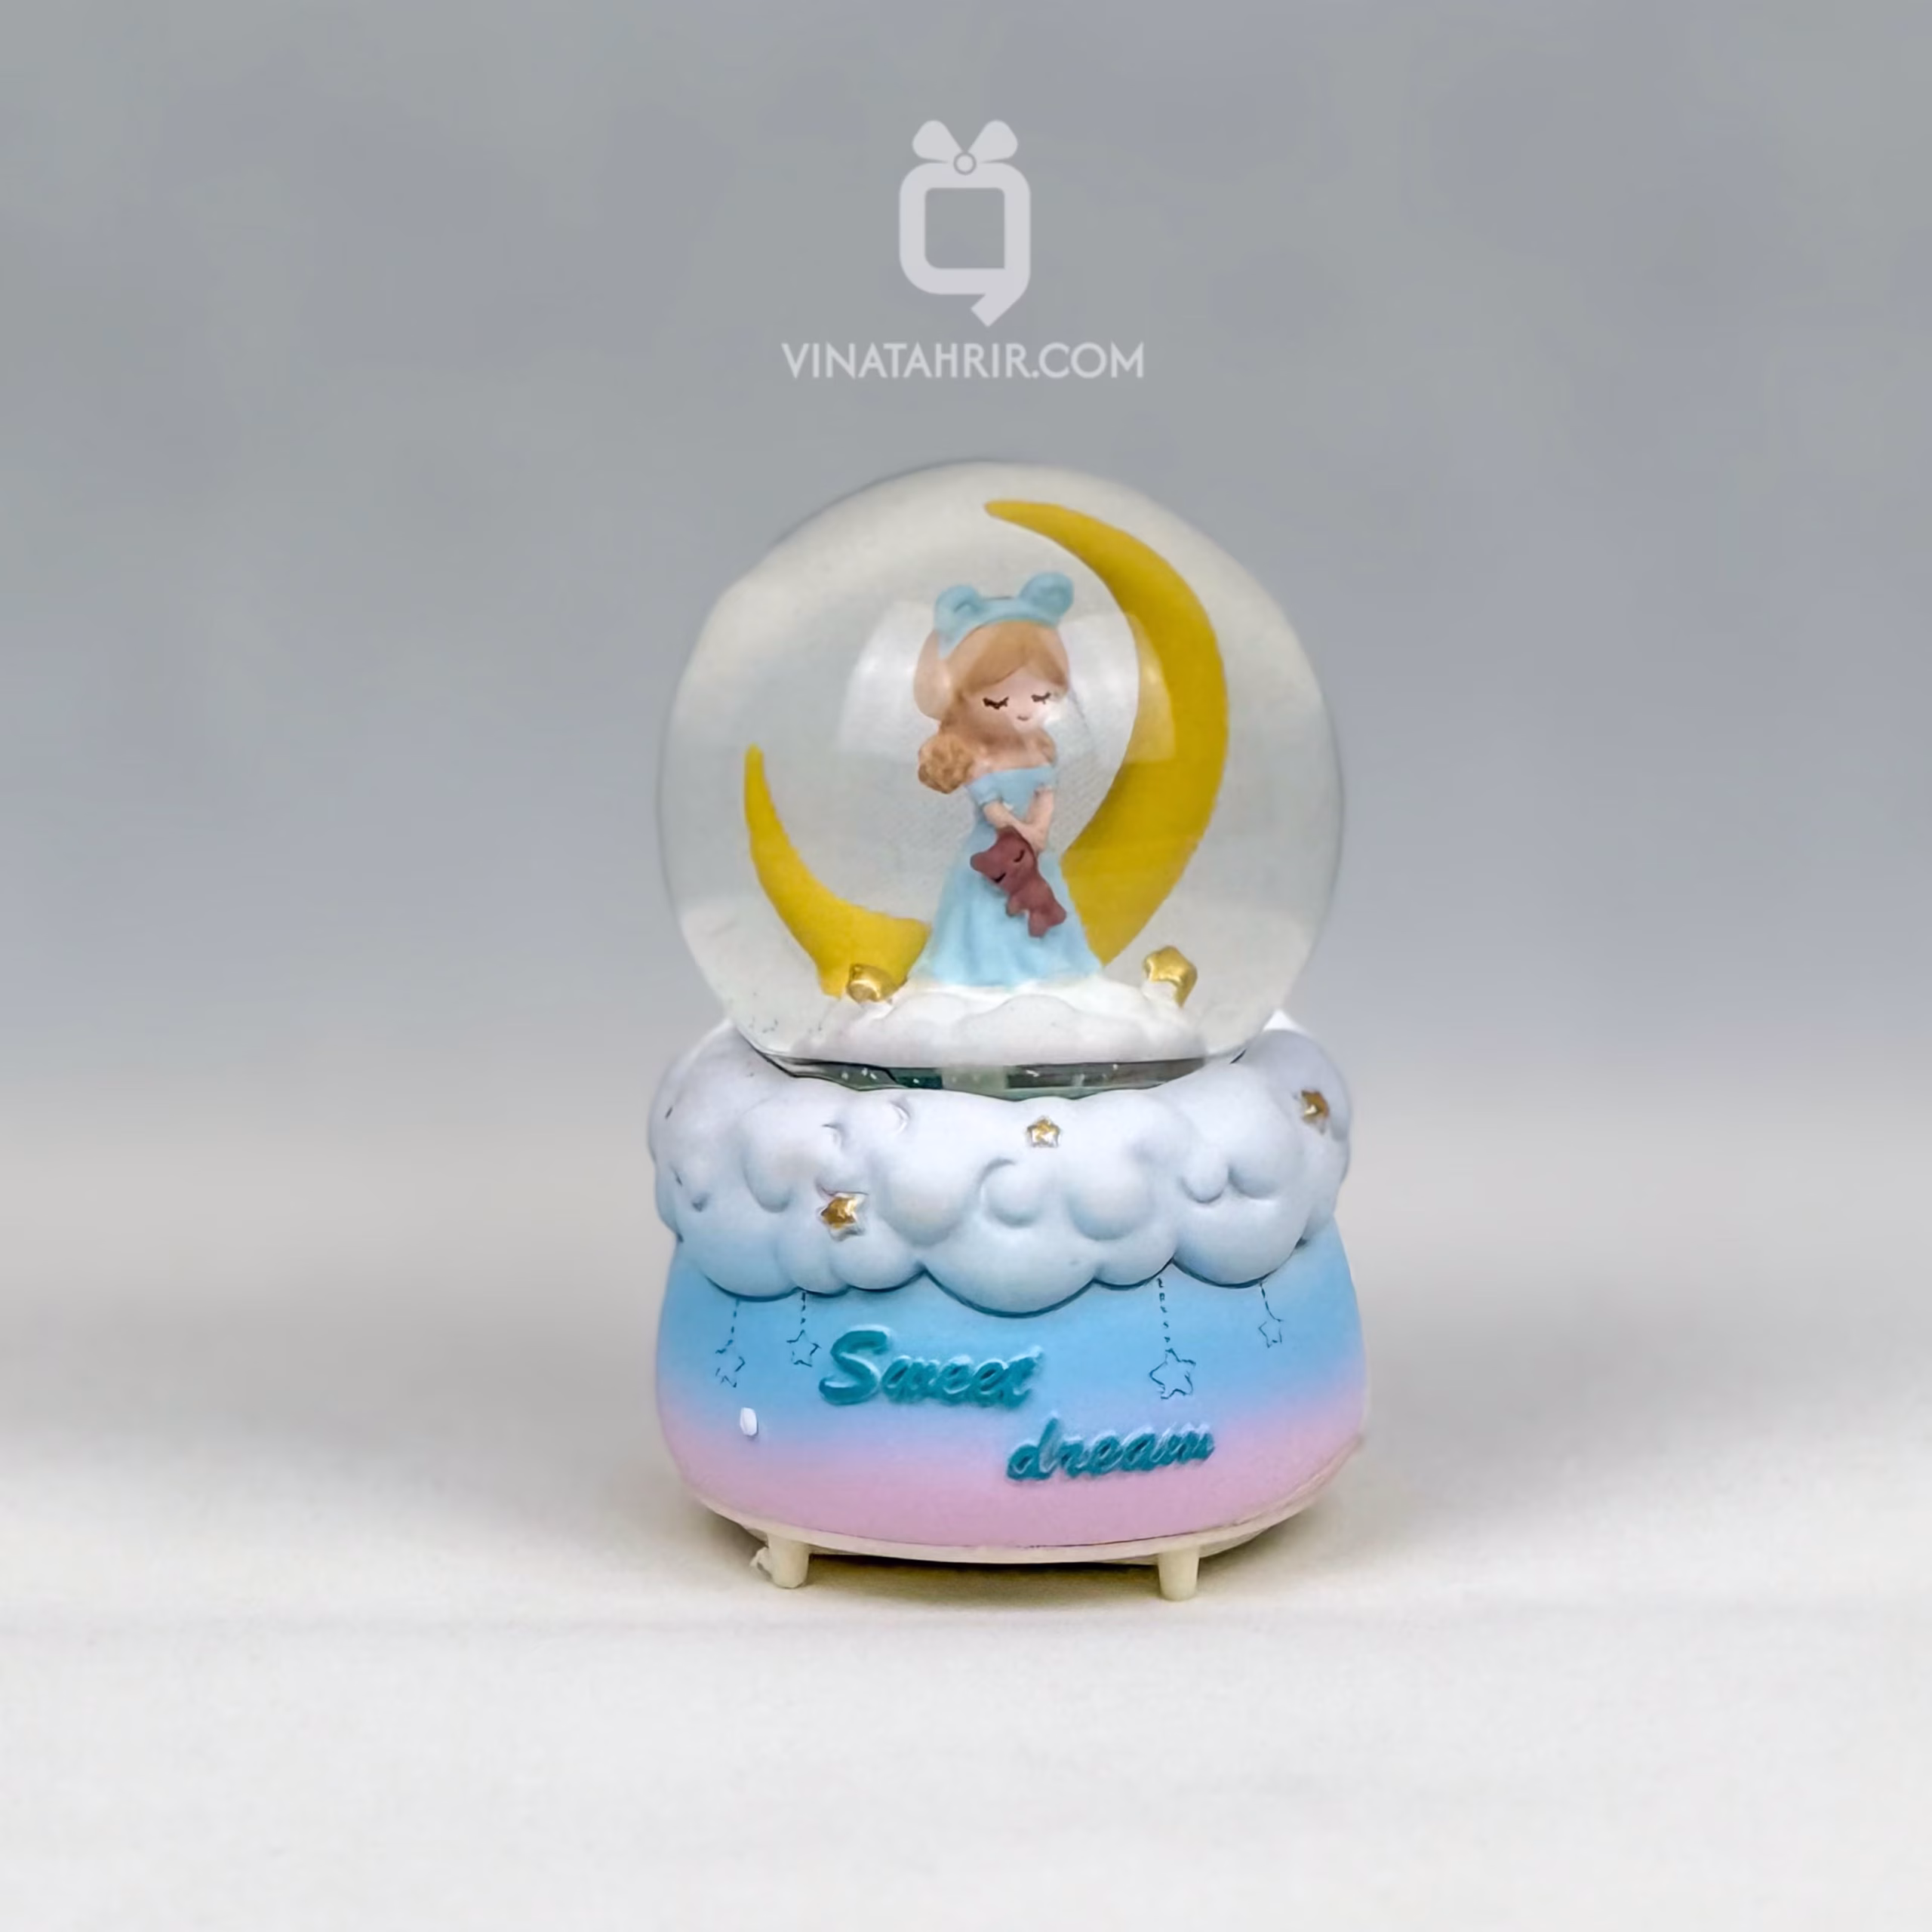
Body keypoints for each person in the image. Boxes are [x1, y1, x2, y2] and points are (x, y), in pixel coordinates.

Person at [909, 573, 1101, 987]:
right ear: (959, 697)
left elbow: (1046, 792)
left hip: (1036, 851)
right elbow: (994, 811)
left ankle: (1051, 969)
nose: (1024, 709)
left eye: (1041, 697)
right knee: (991, 911)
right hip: (995, 854)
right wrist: (1027, 832)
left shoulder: (1038, 748)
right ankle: (986, 974)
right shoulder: (980, 758)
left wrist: (1041, 828)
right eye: (998, 700)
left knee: (1046, 904)